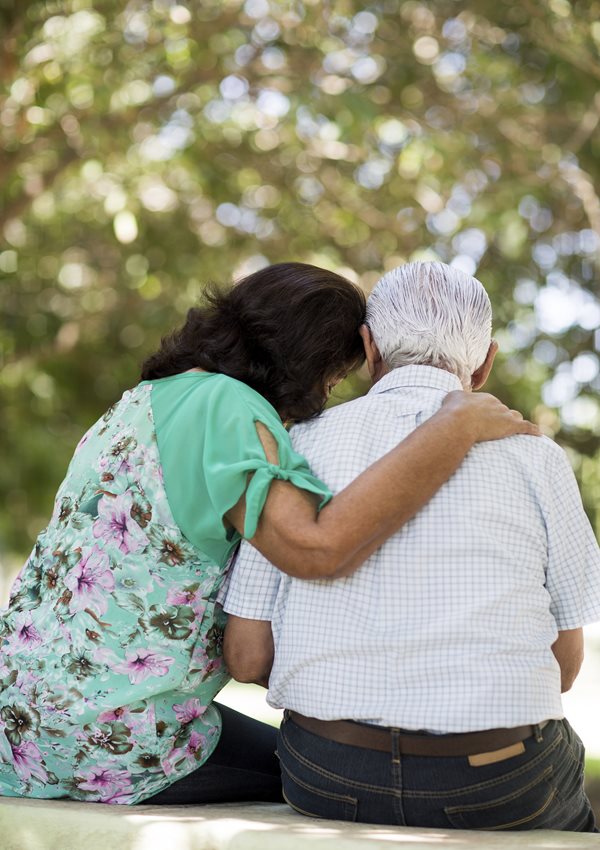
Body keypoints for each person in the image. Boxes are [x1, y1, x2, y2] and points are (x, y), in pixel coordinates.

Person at [0, 262, 536, 807]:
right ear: (310, 359)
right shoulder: (229, 408)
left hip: (23, 712)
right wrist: (455, 424)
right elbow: (316, 546)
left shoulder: (145, 399)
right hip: (95, 737)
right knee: (331, 777)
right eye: (333, 376)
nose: (327, 395)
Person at [223, 261, 600, 832]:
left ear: (369, 348)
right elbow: (565, 667)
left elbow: (247, 654)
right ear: (486, 362)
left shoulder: (296, 446)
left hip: (328, 771)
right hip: (498, 776)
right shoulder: (537, 456)